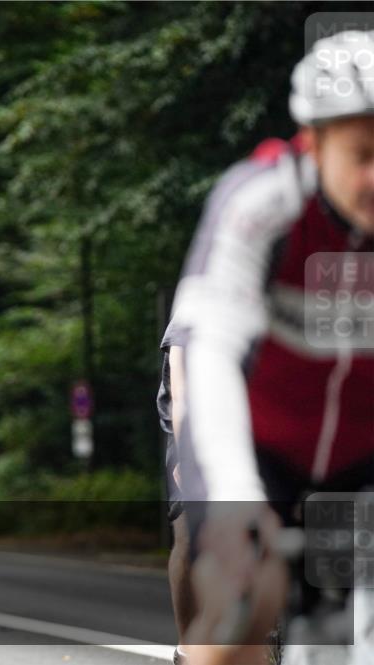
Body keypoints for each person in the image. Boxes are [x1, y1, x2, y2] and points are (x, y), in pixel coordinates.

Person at [168, 30, 374, 665]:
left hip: (364, 451)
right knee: (241, 604)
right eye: (362, 154)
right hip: (258, 445)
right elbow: (209, 350)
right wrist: (235, 502)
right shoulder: (260, 203)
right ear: (312, 146)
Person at [156, 328, 195, 665]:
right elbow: (182, 396)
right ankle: (187, 647)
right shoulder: (191, 312)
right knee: (187, 534)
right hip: (191, 434)